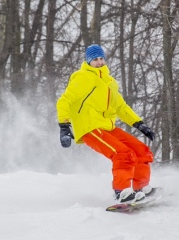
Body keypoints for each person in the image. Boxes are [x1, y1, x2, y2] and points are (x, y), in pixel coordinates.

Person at [56, 44, 155, 204]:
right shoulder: (83, 77)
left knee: (141, 151)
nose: (100, 62)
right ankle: (121, 192)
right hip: (90, 128)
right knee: (123, 154)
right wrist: (64, 127)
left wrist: (139, 124)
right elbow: (64, 101)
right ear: (88, 61)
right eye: (95, 59)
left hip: (107, 128)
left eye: (101, 58)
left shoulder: (110, 82)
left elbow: (121, 107)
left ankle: (141, 188)